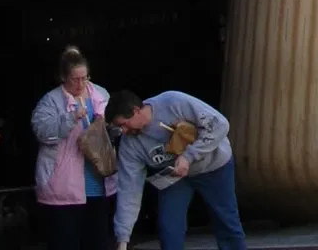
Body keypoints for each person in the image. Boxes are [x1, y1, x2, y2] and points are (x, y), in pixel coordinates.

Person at [105, 88, 246, 250]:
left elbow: (220, 124)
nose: (123, 131)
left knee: (226, 222)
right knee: (169, 228)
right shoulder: (130, 145)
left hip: (214, 166)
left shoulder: (172, 102)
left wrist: (188, 156)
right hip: (174, 177)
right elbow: (129, 189)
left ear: (136, 111)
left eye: (123, 125)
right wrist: (123, 237)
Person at [31, 45, 117, 250]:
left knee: (98, 242)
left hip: (98, 182)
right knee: (65, 242)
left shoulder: (100, 94)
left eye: (84, 78)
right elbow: (42, 132)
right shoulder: (51, 101)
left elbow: (116, 124)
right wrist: (70, 118)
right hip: (64, 187)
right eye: (74, 79)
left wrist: (111, 128)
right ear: (63, 77)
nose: (81, 84)